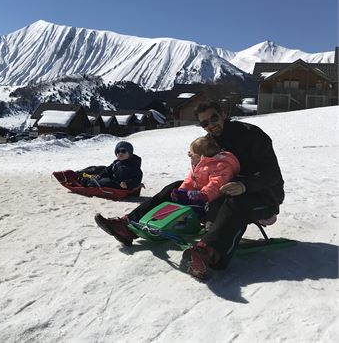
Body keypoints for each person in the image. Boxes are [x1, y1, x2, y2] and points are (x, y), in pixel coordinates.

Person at [95, 100, 284, 280]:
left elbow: (273, 174)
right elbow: (207, 171)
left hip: (265, 196)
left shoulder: (252, 135)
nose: (211, 125)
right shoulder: (211, 142)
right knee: (176, 187)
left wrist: (244, 185)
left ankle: (209, 253)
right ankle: (128, 225)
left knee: (235, 201)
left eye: (214, 118)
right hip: (223, 190)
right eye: (205, 123)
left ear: (223, 114)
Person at [171, 135, 240, 220]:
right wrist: (182, 191)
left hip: (216, 198)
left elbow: (217, 184)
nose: (189, 156)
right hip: (200, 196)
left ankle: (207, 224)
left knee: (209, 209)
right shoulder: (198, 165)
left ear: (198, 156)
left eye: (190, 154)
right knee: (179, 203)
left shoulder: (220, 166)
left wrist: (204, 195)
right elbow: (190, 180)